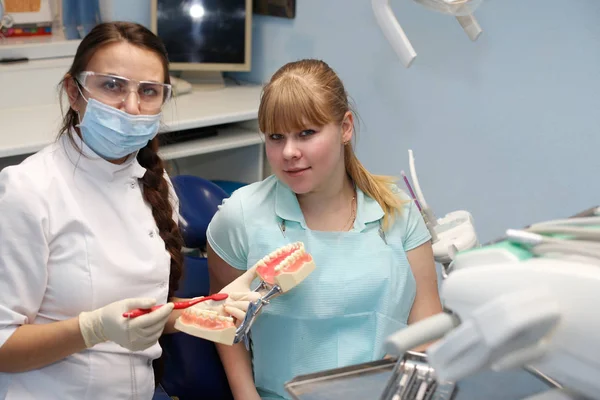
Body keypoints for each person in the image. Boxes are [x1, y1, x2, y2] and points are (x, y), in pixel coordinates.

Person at [0, 21, 255, 399]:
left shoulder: (154, 183)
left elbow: (137, 317)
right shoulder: (29, 190)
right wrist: (90, 329)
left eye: (149, 91)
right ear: (74, 91)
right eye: (112, 85)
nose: (131, 107)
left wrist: (195, 310)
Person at [207, 59, 444, 400]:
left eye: (306, 133)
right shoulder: (241, 217)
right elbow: (222, 319)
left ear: (345, 127)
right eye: (276, 137)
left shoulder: (399, 214)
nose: (289, 152)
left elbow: (427, 334)